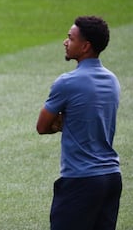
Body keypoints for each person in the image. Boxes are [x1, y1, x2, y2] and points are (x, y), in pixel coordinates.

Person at [36, 16, 122, 230]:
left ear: (85, 46)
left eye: (70, 38)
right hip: (112, 178)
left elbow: (42, 126)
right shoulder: (112, 80)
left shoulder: (67, 82)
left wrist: (62, 121)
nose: (65, 42)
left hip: (81, 180)